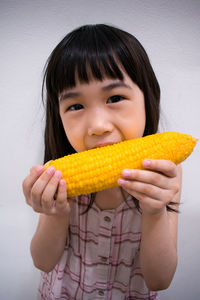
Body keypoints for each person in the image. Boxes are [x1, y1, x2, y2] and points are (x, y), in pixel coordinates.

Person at [22, 24, 182, 300]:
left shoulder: (163, 173)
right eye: (75, 106)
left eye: (115, 98)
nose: (97, 126)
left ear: (148, 99)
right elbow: (43, 261)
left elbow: (159, 279)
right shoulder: (58, 176)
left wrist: (155, 213)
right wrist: (55, 212)